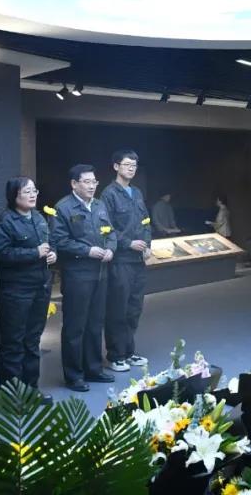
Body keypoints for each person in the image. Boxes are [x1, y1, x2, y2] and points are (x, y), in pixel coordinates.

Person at [51, 164, 118, 391]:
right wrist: (87, 250)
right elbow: (60, 241)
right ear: (74, 184)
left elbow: (111, 232)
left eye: (94, 182)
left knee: (95, 324)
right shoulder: (63, 208)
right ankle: (74, 375)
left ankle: (94, 369)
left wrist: (111, 249)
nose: (92, 186)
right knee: (75, 327)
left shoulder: (99, 205)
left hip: (101, 274)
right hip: (78, 275)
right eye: (87, 182)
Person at [0, 177, 56, 404]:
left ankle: (31, 390)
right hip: (15, 292)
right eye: (27, 191)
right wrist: (34, 253)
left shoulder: (38, 217)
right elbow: (1, 254)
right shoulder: (5, 222)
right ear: (14, 195)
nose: (33, 194)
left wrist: (52, 254)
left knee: (32, 342)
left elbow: (48, 244)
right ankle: (12, 397)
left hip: (40, 288)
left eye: (34, 190)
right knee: (13, 344)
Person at [100, 150, 152, 372]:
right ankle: (115, 355)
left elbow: (146, 221)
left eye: (134, 165)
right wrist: (128, 243)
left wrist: (147, 244)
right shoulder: (108, 194)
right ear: (116, 166)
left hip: (138, 261)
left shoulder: (137, 192)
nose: (131, 168)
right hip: (120, 260)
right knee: (118, 309)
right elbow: (106, 228)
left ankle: (129, 351)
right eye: (127, 164)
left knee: (134, 308)